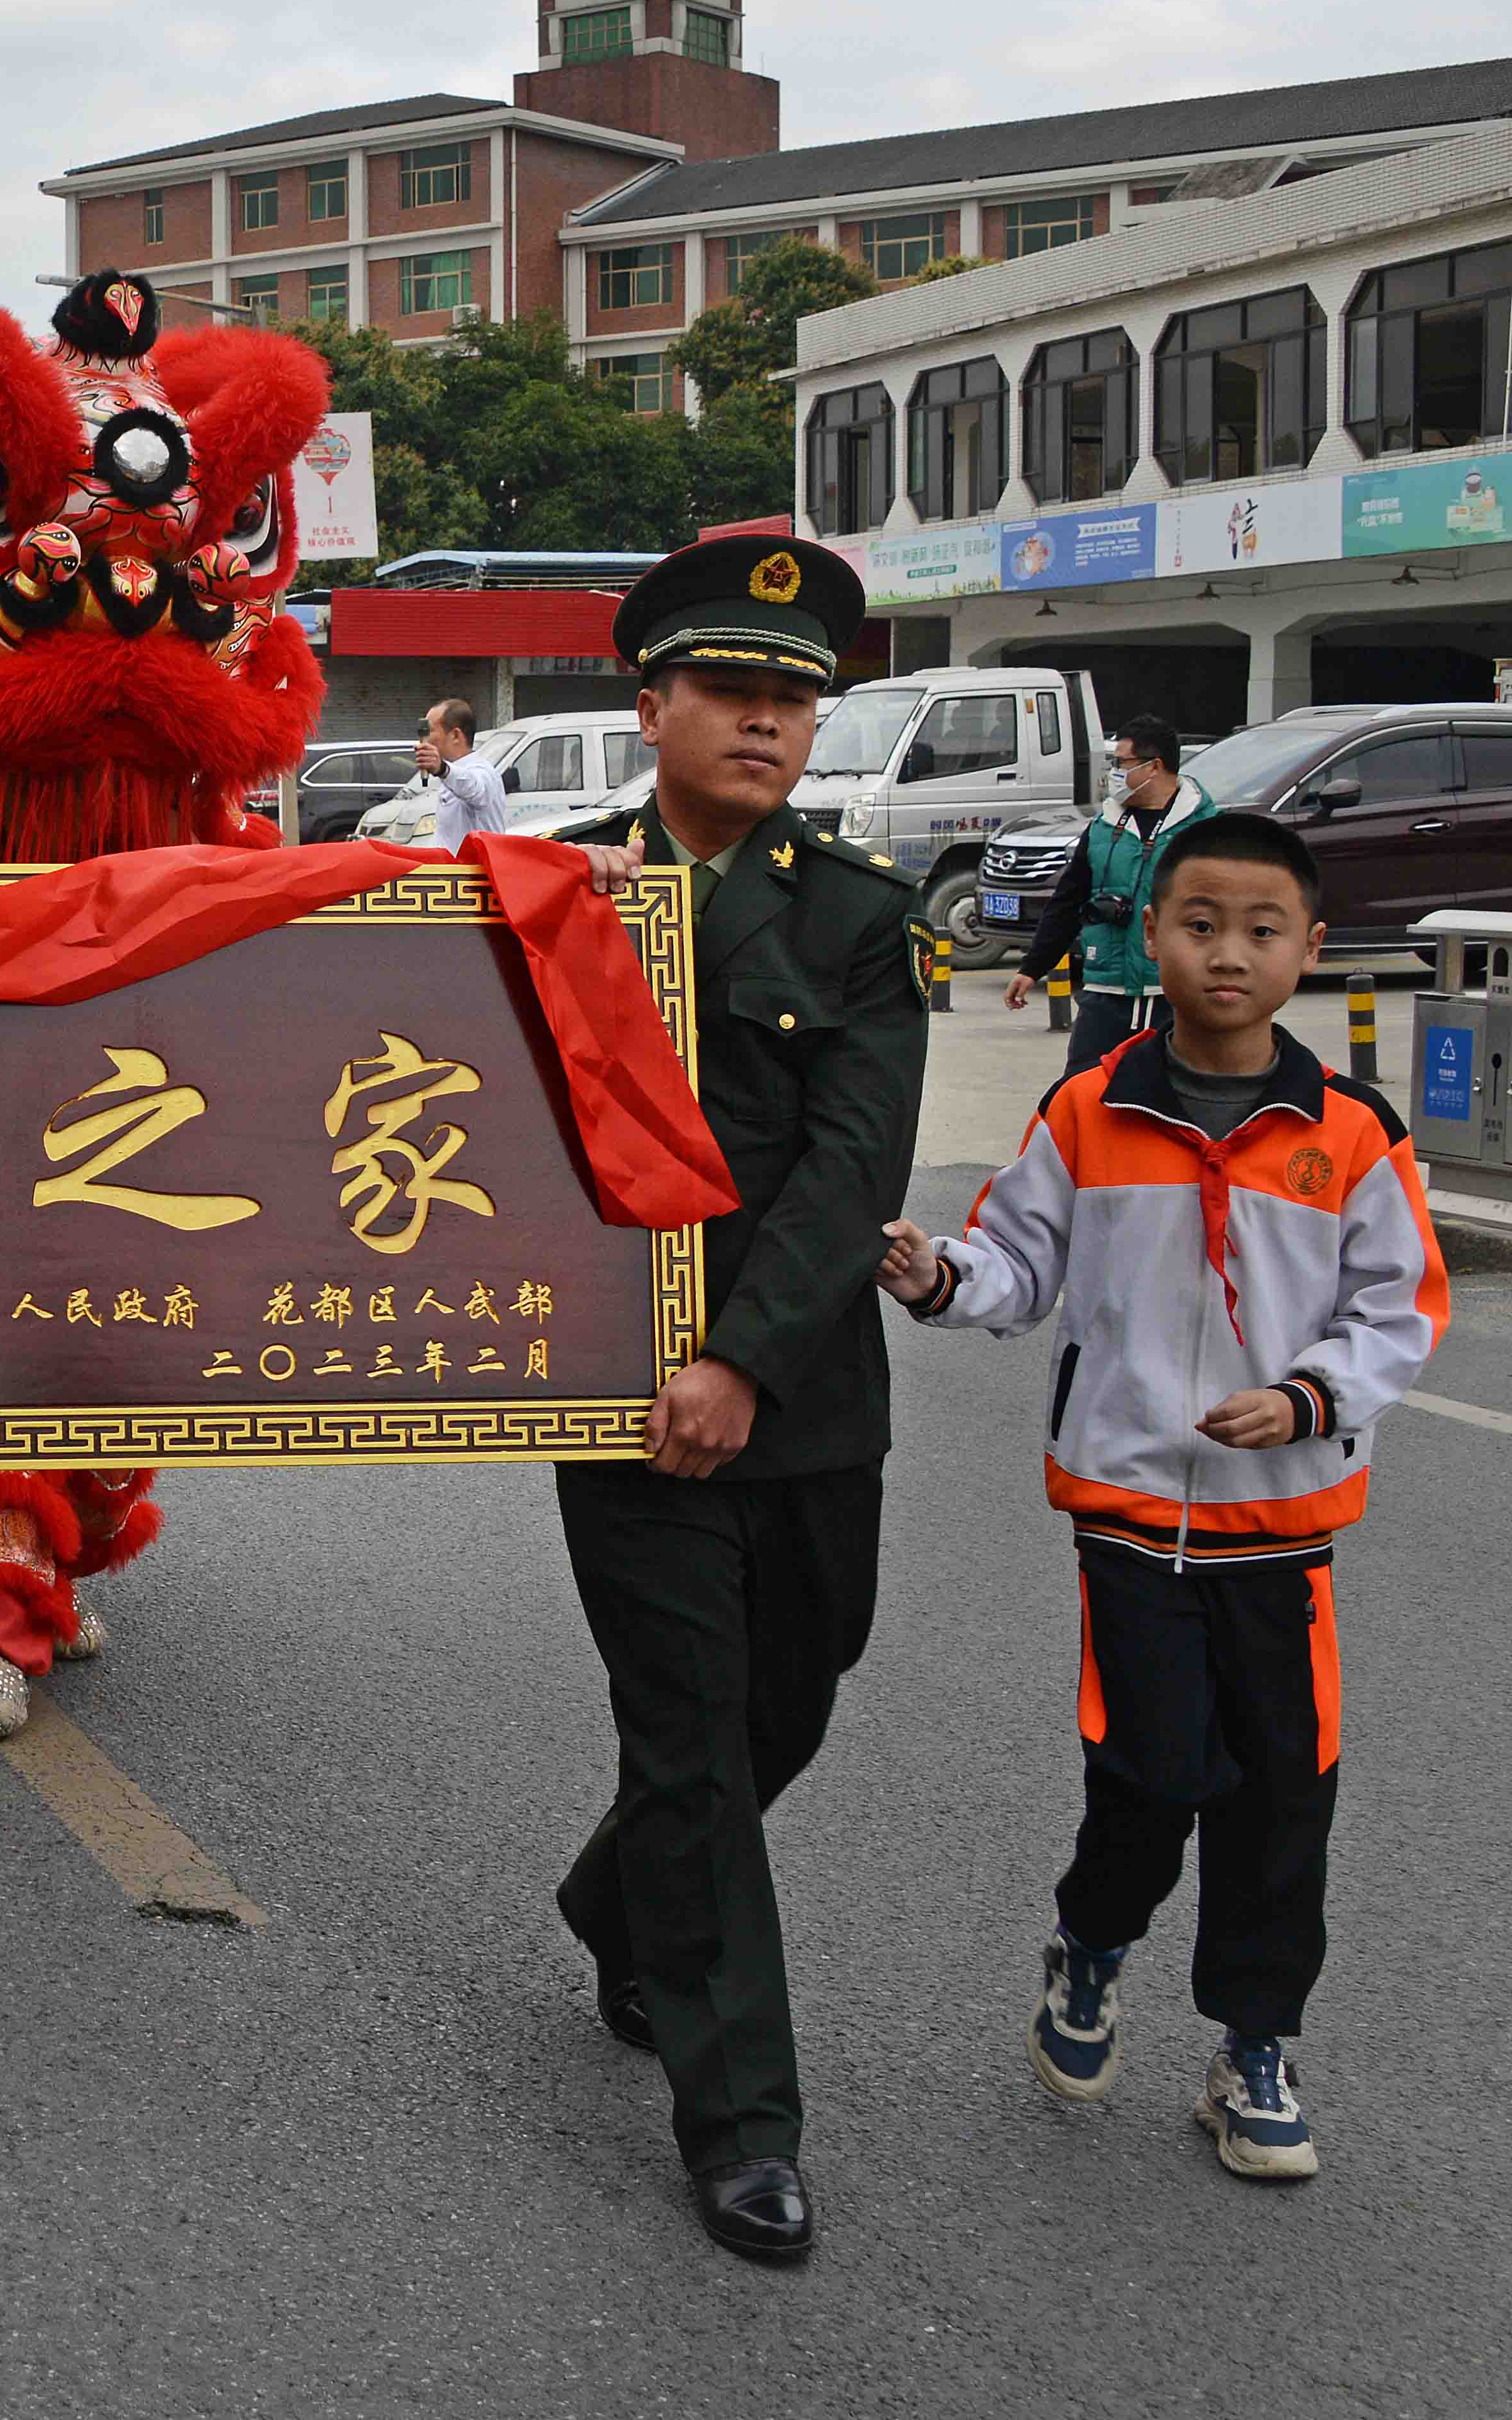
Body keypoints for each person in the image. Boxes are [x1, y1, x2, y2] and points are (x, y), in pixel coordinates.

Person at [877, 813, 1445, 2185]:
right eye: (1198, 924)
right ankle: (1091, 1940)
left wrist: (1307, 1396)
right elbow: (1018, 1260)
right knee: (1149, 1773)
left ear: (1310, 949)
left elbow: (1399, 1306)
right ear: (1150, 935)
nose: (1226, 953)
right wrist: (944, 1277)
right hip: (1128, 1511)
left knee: (1282, 1798)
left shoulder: (1352, 1132)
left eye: (1260, 929)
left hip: (1282, 1529)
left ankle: (1254, 2044)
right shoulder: (1088, 1107)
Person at [553, 534, 928, 2266]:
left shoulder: (855, 916)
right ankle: (742, 2126)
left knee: (797, 1693)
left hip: (800, 1390)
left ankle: (613, 1898)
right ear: (652, 708)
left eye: (794, 698)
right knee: (693, 1737)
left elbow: (852, 1166)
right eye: (730, 690)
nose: (766, 722)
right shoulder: (542, 888)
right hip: (617, 1392)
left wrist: (742, 1360)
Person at [1004, 716, 1213, 1074]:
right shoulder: (1104, 826)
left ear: (1155, 766)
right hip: (1105, 992)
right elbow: (1068, 901)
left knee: (1167, 1096)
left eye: (1122, 763)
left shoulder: (1206, 829)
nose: (1114, 773)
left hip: (1176, 996)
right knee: (1080, 1088)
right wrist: (1033, 968)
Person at [417, 696, 510, 849]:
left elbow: (474, 788)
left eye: (430, 731)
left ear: (455, 735)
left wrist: (442, 769)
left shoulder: (483, 772)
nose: (424, 739)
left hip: (475, 864)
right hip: (451, 864)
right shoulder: (452, 774)